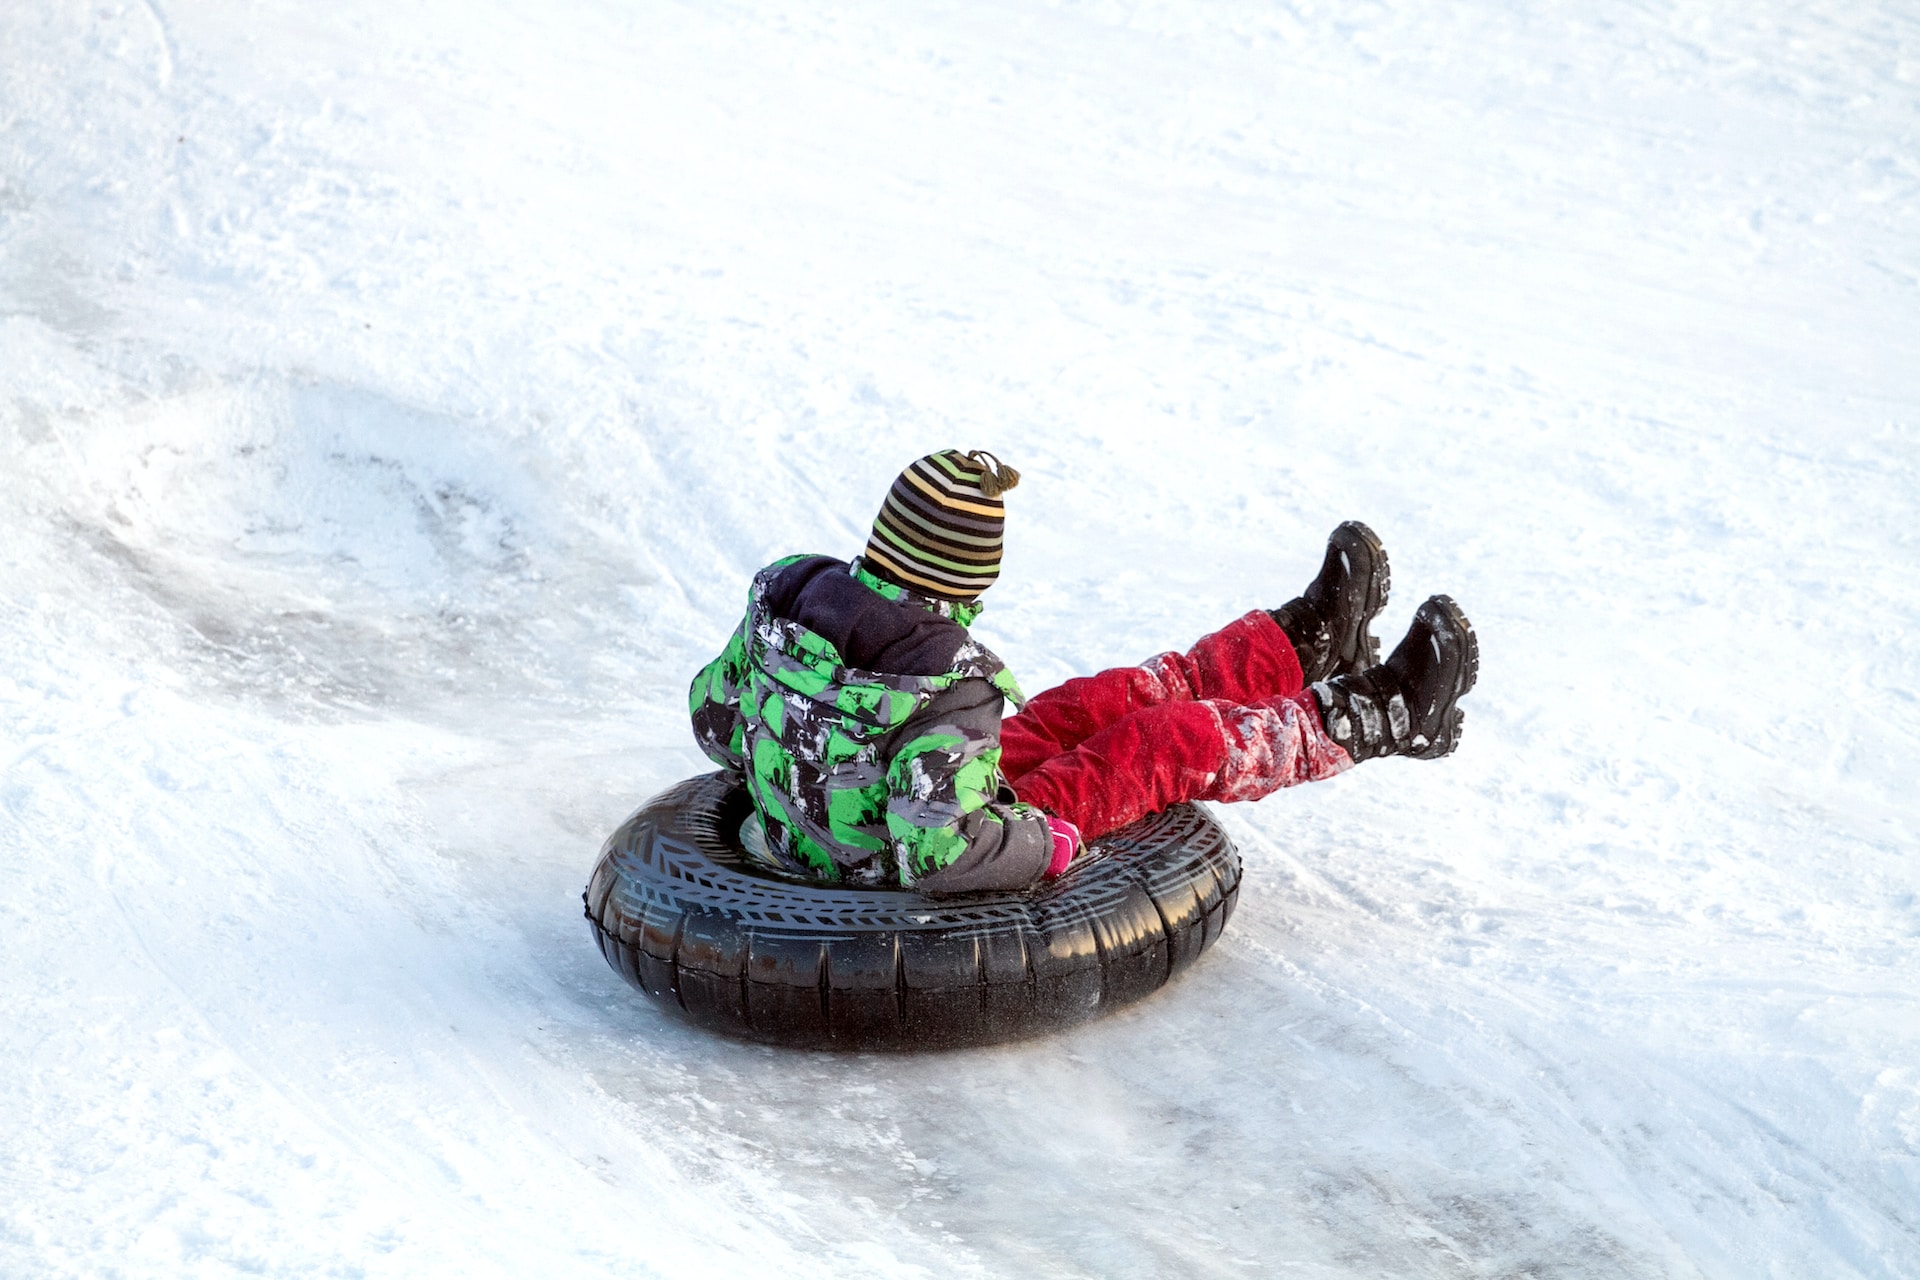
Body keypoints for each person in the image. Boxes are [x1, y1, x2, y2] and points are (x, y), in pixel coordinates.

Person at [689, 449, 1477, 896]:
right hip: (884, 867)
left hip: (862, 804)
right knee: (1163, 742)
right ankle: (1380, 716)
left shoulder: (790, 596)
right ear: (966, 579)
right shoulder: (943, 686)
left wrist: (806, 760)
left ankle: (1297, 647)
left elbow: (714, 719)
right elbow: (940, 853)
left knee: (1090, 705)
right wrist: (1044, 842)